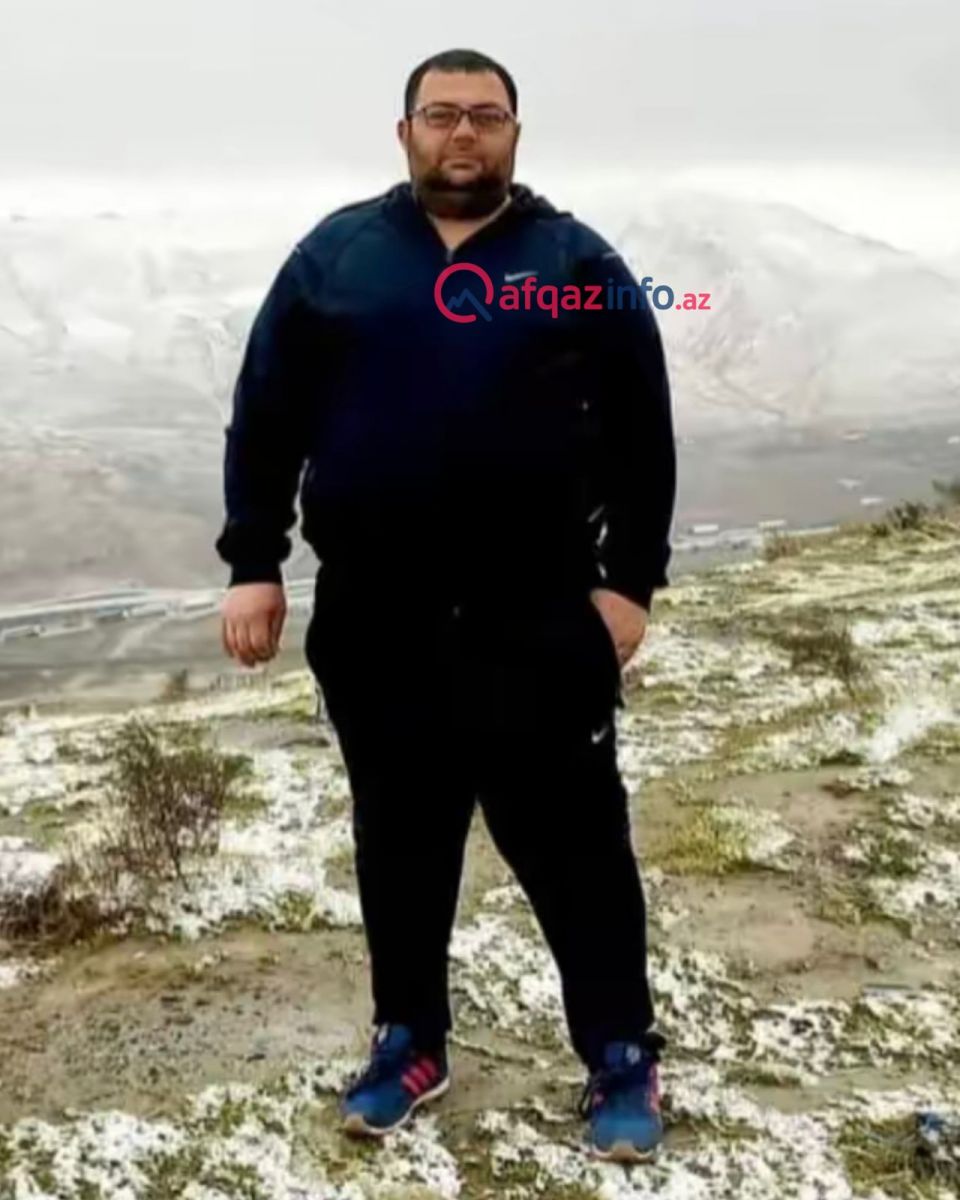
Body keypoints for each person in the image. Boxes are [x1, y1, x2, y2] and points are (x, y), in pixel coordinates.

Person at [216, 47, 677, 1163]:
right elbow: (266, 413)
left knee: (575, 848)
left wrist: (628, 583)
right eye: (441, 114)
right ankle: (409, 1039)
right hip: (378, 620)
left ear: (515, 133)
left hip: (538, 619)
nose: (462, 133)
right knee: (401, 841)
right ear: (405, 132)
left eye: (485, 115)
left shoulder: (575, 264)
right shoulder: (337, 259)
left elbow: (641, 432)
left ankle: (620, 1053)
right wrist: (253, 560)